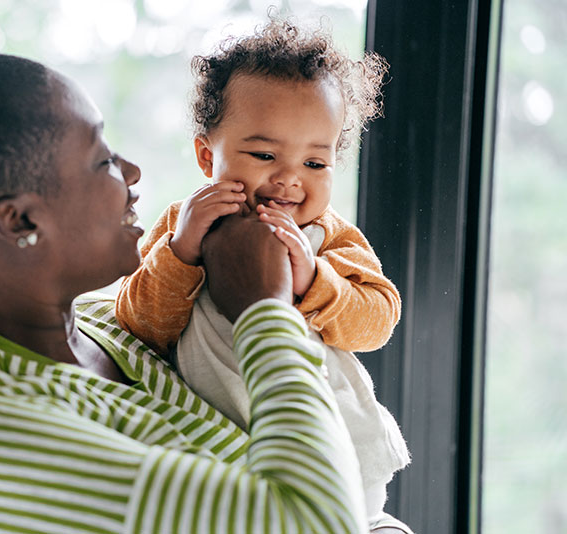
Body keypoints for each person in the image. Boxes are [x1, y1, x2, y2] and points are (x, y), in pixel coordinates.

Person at [0, 52, 368, 533]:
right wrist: (264, 307)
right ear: (20, 219)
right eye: (102, 160)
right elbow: (320, 525)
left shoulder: (103, 327)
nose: (132, 173)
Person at [115, 20, 412, 533]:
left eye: (315, 161)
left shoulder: (330, 237)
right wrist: (182, 250)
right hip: (223, 454)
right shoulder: (183, 227)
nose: (290, 178)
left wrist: (315, 281)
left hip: (336, 447)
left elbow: (379, 318)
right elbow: (139, 321)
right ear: (208, 155)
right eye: (265, 155)